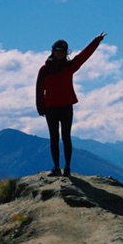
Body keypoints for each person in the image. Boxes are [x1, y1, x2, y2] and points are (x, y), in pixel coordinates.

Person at [35, 32, 104, 178]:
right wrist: (40, 107)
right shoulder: (45, 69)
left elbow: (84, 56)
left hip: (66, 107)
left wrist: (96, 41)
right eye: (57, 51)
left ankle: (67, 168)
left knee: (66, 137)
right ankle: (57, 167)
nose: (60, 54)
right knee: (54, 138)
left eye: (62, 52)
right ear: (53, 51)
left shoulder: (70, 66)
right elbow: (39, 89)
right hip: (51, 108)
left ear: (66, 53)